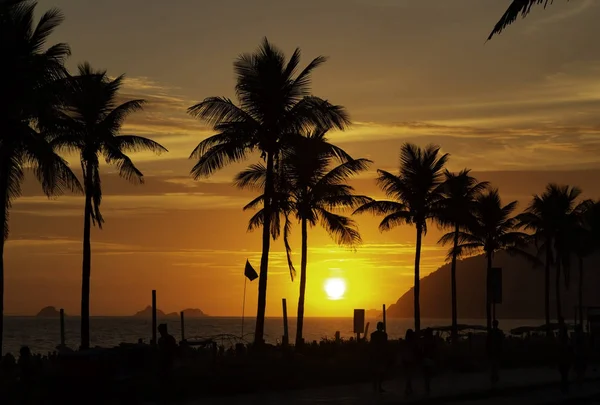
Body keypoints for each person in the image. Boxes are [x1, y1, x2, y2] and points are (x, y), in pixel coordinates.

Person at [370, 321, 388, 393]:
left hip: (376, 355)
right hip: (380, 355)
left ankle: (376, 386)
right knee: (380, 372)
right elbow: (385, 345)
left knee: (376, 372)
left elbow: (371, 345)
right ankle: (378, 386)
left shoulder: (373, 335)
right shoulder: (384, 335)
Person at [487, 319, 504, 386]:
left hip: (493, 351)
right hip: (495, 351)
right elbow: (501, 342)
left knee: (493, 365)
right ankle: (495, 377)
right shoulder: (498, 332)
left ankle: (494, 378)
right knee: (495, 365)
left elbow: (488, 342)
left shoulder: (491, 332)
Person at [557, 321, 572, 394]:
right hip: (564, 359)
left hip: (564, 359)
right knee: (564, 375)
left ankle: (565, 387)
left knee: (564, 374)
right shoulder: (566, 340)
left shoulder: (564, 341)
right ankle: (565, 387)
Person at [402, 329, 418, 397]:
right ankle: (408, 388)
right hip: (410, 359)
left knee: (408, 375)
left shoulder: (405, 342)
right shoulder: (412, 342)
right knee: (409, 375)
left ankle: (409, 388)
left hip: (406, 360)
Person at [421, 328, 436, 394]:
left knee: (427, 374)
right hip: (428, 358)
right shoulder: (430, 340)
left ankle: (427, 386)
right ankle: (427, 387)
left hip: (426, 358)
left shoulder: (425, 340)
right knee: (428, 374)